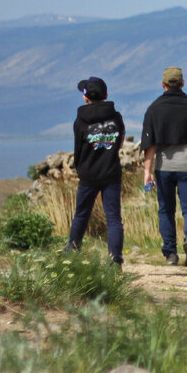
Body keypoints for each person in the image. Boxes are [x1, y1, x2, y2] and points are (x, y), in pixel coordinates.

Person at [141, 67, 187, 267]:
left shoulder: (154, 109)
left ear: (163, 85)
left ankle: (171, 253)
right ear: (182, 84)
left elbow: (150, 145)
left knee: (166, 210)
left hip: (164, 168)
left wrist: (148, 172)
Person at [66, 76, 125, 267]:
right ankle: (115, 258)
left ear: (85, 98)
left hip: (88, 174)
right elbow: (120, 142)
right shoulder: (116, 117)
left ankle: (72, 250)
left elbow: (78, 149)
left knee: (81, 214)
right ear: (106, 95)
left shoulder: (80, 120)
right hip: (111, 172)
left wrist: (80, 168)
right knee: (114, 218)